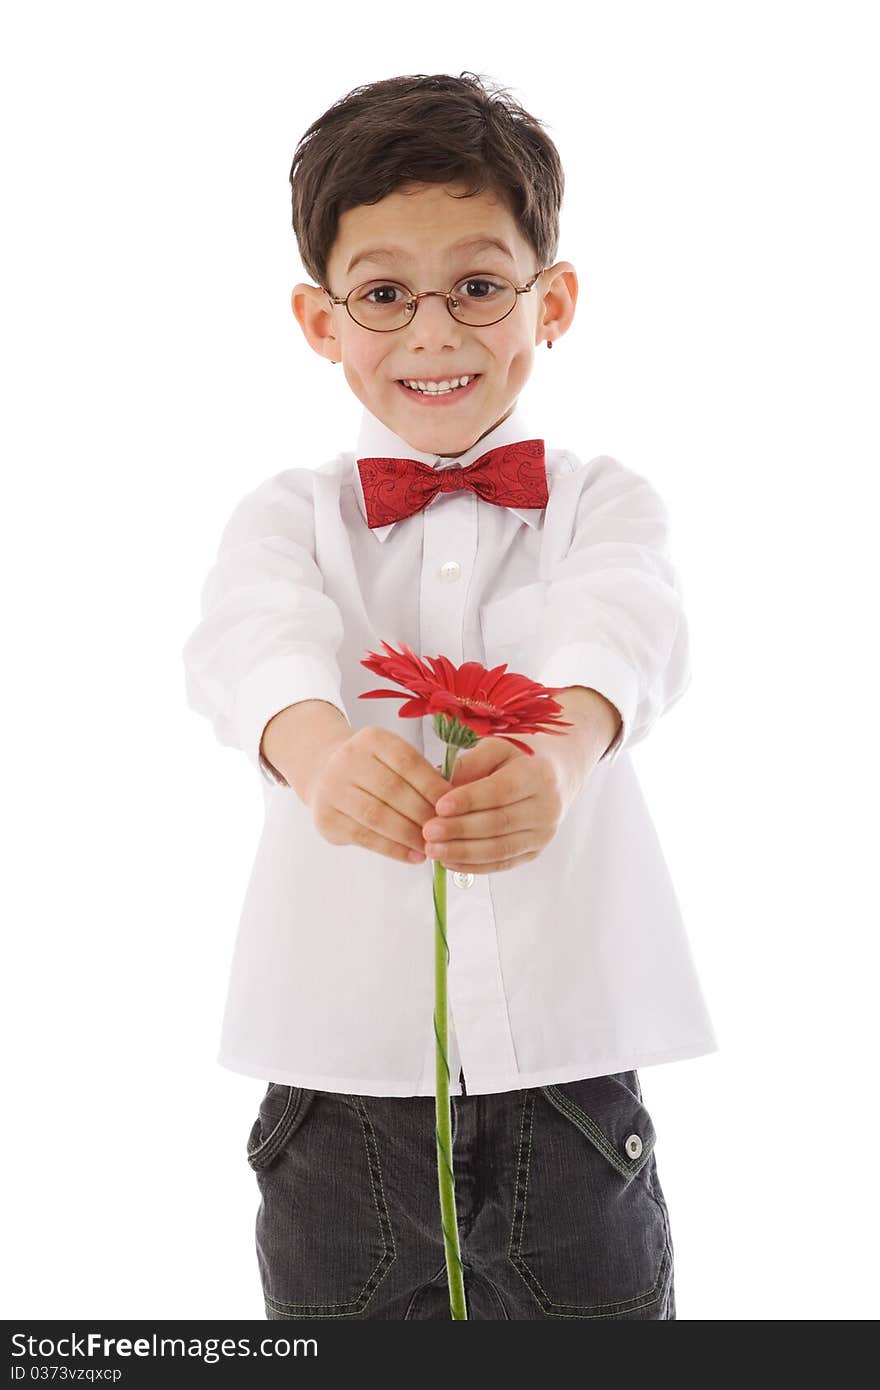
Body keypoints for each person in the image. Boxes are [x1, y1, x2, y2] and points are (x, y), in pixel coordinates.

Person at [181, 71, 718, 1321]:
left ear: (553, 299)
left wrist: (562, 753)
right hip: (334, 1093)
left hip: (569, 1092)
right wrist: (316, 753)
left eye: (478, 287)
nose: (434, 334)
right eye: (384, 295)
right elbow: (248, 639)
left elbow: (627, 622)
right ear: (321, 320)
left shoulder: (603, 499)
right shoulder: (287, 516)